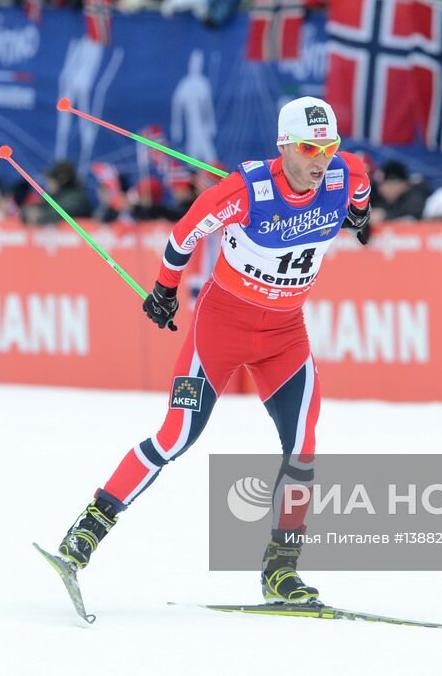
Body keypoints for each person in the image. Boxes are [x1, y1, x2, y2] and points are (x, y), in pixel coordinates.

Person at [51, 97, 372, 605]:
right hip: (221, 328)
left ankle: (281, 570)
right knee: (177, 436)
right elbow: (184, 234)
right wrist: (163, 290)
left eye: (328, 146)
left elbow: (359, 185)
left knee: (304, 446)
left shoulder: (341, 172)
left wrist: (359, 214)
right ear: (284, 145)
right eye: (310, 147)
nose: (321, 159)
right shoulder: (246, 191)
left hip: (285, 336)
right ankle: (89, 527)